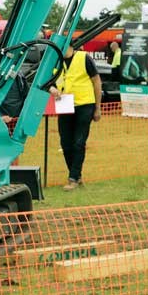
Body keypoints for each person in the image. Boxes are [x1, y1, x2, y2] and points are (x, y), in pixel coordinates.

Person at [49, 45, 102, 191]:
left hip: (85, 104)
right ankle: (77, 176)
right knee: (66, 143)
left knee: (79, 143)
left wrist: (97, 107)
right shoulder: (54, 61)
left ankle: (72, 179)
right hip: (65, 105)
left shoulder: (84, 58)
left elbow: (96, 81)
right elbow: (47, 81)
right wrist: (52, 88)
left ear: (69, 45)